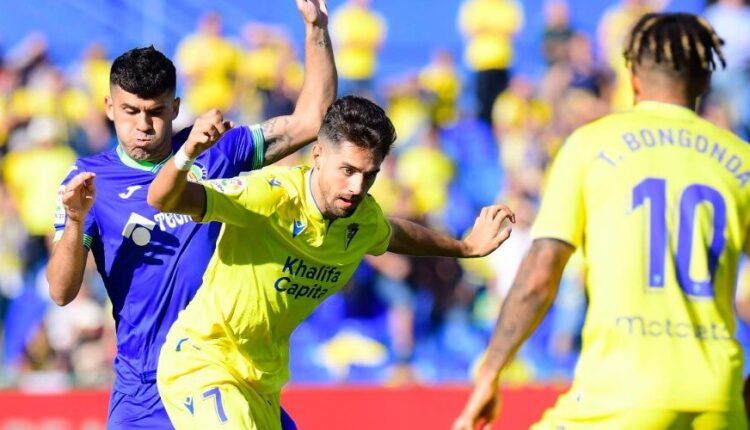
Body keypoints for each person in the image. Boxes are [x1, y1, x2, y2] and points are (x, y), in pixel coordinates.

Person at [45, 1, 335, 428]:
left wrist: (316, 29)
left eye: (156, 111)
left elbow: (311, 120)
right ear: (109, 107)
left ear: (175, 107)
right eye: (130, 111)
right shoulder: (88, 181)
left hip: (225, 374)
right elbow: (60, 292)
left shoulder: (215, 151)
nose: (143, 124)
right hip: (146, 384)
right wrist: (74, 222)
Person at [454, 12, 750, 430]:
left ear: (632, 78)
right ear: (705, 81)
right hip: (718, 398)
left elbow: (541, 274)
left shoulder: (590, 146)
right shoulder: (742, 161)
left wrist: (490, 371)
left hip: (621, 396)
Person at [146, 95, 515, 428]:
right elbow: (163, 198)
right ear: (319, 155)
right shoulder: (269, 196)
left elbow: (395, 233)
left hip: (262, 382)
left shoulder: (361, 218)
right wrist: (188, 152)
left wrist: (463, 248)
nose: (357, 187)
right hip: (204, 361)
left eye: (369, 175)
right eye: (349, 171)